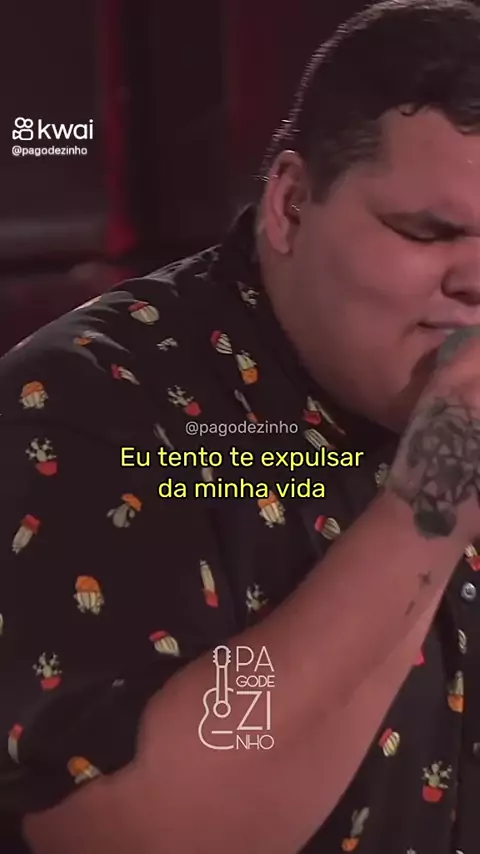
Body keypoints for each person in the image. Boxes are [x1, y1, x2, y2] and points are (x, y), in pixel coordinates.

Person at [2, 0, 480, 851]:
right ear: (290, 205)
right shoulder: (104, 405)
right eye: (429, 232)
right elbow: (139, 832)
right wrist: (435, 492)